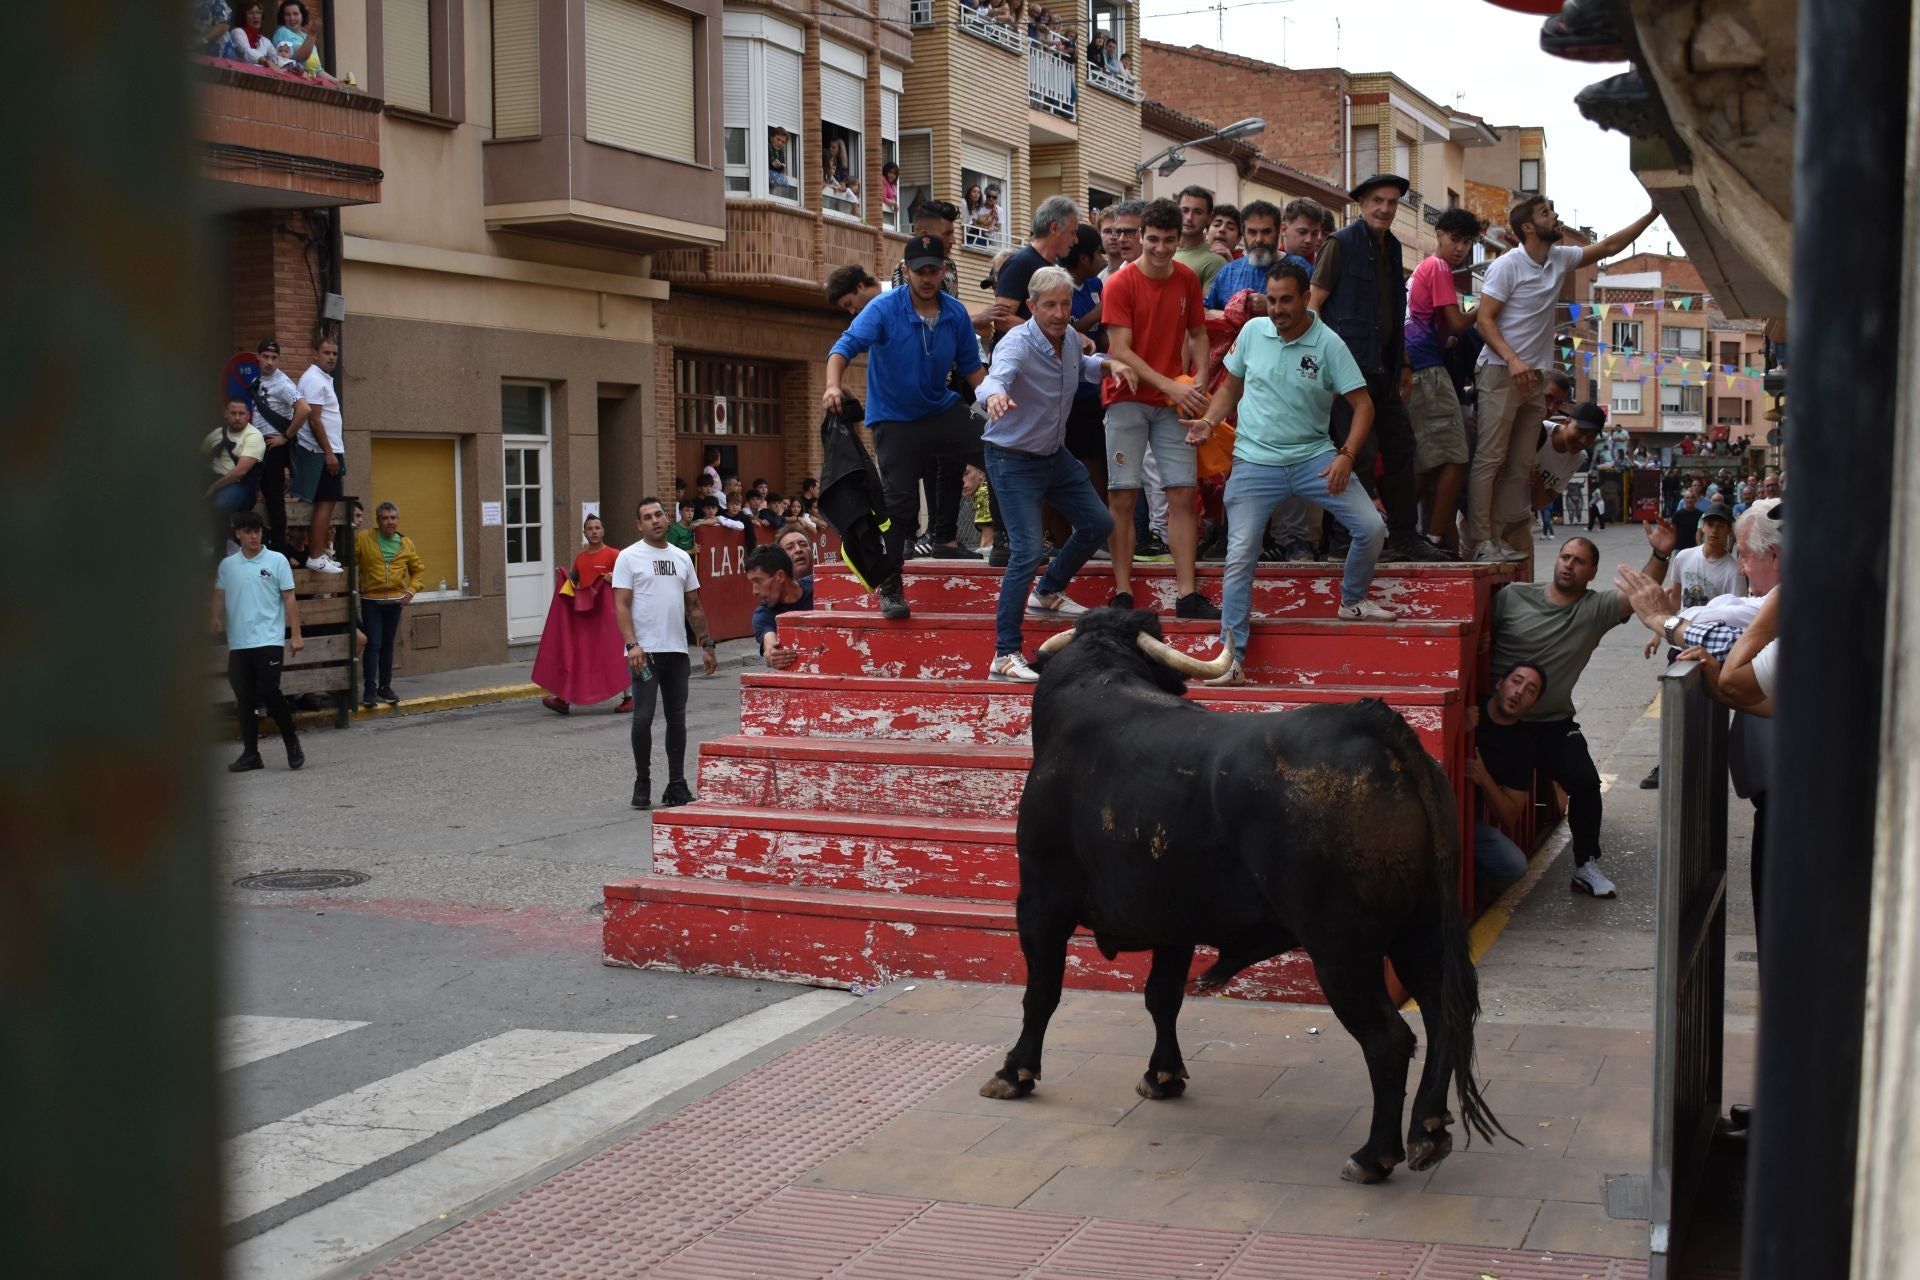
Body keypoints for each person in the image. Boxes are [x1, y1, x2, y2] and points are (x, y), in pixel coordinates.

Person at [1185, 262, 1394, 688]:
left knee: (1372, 528)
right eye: (1272, 299)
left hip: (1314, 458)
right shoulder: (1252, 332)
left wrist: (1346, 455)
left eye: (1286, 300)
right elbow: (1230, 388)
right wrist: (1209, 421)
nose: (1277, 309)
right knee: (1239, 556)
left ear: (1304, 299)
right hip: (1254, 461)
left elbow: (1364, 406)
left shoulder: (1329, 343)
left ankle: (1352, 600)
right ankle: (1232, 659)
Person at [1469, 196, 1658, 562]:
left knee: (1520, 463)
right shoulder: (1507, 266)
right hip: (1500, 371)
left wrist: (1652, 213)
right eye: (1546, 213)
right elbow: (1484, 320)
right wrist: (1513, 361)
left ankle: (1500, 538)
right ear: (1528, 227)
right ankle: (1481, 541)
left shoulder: (1559, 259)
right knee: (1490, 458)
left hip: (1536, 376)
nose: (1554, 216)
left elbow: (1609, 245)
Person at [1488, 527, 1675, 897]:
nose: (1569, 566)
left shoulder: (1594, 609)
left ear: (1592, 573)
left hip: (1553, 724)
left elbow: (1636, 596)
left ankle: (1585, 864)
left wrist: (1660, 556)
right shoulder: (1512, 597)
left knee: (1587, 784)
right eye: (1565, 557)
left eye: (1580, 562)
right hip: (1504, 723)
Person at [976, 266, 1130, 681]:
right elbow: (994, 379)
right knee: (1026, 551)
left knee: (1099, 522)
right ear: (1031, 307)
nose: (1060, 313)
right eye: (1050, 305)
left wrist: (1107, 366)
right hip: (1011, 460)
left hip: (1052, 455)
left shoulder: (1065, 343)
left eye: (1065, 304)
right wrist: (994, 397)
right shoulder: (1017, 342)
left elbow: (1080, 365)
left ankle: (1048, 592)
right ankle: (1004, 654)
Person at [825, 232, 986, 619]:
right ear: (906, 271)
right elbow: (842, 348)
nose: (927, 278)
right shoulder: (883, 309)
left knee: (1000, 447)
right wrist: (832, 384)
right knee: (900, 506)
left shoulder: (955, 313)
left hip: (939, 409)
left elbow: (973, 370)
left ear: (944, 271)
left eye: (934, 270)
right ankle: (891, 587)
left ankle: (1007, 543)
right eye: (919, 271)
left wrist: (997, 401)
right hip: (895, 421)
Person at [1308, 173, 1452, 564]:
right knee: (1356, 453)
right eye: (1377, 201)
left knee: (1402, 446)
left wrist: (1403, 361)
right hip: (1345, 370)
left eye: (1391, 202)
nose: (1385, 209)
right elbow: (1313, 306)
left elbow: (1395, 311)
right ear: (1361, 204)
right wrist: (1323, 367)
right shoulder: (1340, 244)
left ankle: (1405, 536)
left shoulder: (1391, 247)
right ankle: (1344, 542)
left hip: (1384, 369)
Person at [1100, 198, 1217, 619]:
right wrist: (1173, 383)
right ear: (1139, 237)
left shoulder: (1187, 278)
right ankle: (1123, 591)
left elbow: (1200, 334)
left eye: (1169, 240)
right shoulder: (1119, 283)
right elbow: (1121, 351)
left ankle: (1187, 593)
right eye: (1153, 239)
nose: (1162, 248)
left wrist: (1200, 376)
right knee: (1123, 496)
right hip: (1127, 399)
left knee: (1183, 493)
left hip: (1174, 403)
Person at [613, 498, 718, 810]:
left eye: (659, 514)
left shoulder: (681, 558)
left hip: (676, 650)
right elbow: (621, 604)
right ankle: (642, 781)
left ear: (666, 518)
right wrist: (632, 644)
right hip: (644, 653)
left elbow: (693, 605)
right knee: (642, 717)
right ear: (639, 524)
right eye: (647, 517)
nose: (655, 520)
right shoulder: (628, 557)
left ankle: (676, 784)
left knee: (677, 719)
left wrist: (707, 643)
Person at [1404, 208, 1483, 554]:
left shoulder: (1421, 271)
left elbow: (1435, 325)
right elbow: (1458, 321)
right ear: (1439, 234)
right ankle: (1431, 537)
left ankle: (1403, 528)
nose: (1460, 248)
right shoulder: (1437, 267)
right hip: (1428, 371)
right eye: (1455, 239)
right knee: (1455, 456)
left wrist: (1444, 338)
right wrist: (1490, 302)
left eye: (1467, 242)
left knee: (1430, 460)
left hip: (1416, 366)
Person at [213, 510, 304, 773]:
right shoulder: (228, 565)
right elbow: (219, 594)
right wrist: (214, 617)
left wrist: (296, 634)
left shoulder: (277, 561)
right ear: (238, 534)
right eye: (248, 531)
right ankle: (251, 753)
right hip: (239, 642)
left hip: (268, 638)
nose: (254, 536)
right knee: (244, 698)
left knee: (268, 690)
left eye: (258, 531)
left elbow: (289, 599)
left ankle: (292, 742)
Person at [1467, 663, 1551, 904]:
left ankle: (1465, 895)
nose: (1519, 692)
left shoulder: (1522, 745)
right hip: (1427, 812)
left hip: (1467, 823)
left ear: (1533, 705)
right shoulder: (1469, 706)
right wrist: (1457, 726)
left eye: (1530, 690)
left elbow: (1511, 814)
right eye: (1516, 681)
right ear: (1499, 683)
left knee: (1513, 865)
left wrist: (1484, 778)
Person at [351, 501, 425, 708]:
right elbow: (349, 561)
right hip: (371, 601)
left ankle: (385, 686)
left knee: (388, 646)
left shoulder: (406, 543)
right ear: (378, 521)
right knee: (374, 644)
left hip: (394, 602)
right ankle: (370, 690)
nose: (389, 522)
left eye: (393, 518)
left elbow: (418, 571)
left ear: (397, 520)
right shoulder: (364, 538)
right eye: (385, 518)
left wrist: (410, 591)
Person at [293, 337, 346, 572]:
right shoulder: (314, 379)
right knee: (326, 502)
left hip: (329, 449)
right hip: (322, 452)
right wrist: (329, 453)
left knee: (329, 502)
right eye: (326, 352)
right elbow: (314, 419)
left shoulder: (322, 379)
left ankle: (321, 553)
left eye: (334, 353)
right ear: (316, 354)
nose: (332, 357)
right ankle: (315, 555)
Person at [994, 196, 1081, 324]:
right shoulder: (1019, 264)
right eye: (1072, 233)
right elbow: (1001, 319)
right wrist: (1048, 334)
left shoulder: (1057, 266)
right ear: (1054, 228)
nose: (1076, 240)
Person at [206, 397, 267, 557]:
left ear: (248, 415)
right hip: (215, 479)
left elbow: (240, 472)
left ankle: (222, 550)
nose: (237, 417)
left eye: (241, 413)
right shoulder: (216, 435)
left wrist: (212, 488)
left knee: (221, 505)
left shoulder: (254, 436)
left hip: (241, 486)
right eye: (233, 413)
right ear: (226, 414)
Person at [1531, 401, 1605, 529]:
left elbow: (1541, 502)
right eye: (1581, 431)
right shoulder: (1538, 430)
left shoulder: (1578, 459)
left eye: (1591, 436)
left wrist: (1538, 486)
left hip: (1519, 518)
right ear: (1567, 422)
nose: (1583, 441)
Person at [1203, 200, 1283, 313]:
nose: (1259, 239)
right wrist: (1231, 313)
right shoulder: (1228, 271)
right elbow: (1205, 310)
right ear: (1244, 235)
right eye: (1252, 232)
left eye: (1266, 232)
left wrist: (1272, 306)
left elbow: (1312, 316)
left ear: (1278, 232)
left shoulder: (1299, 267)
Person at [746, 545, 813, 670]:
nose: (754, 591)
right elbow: (769, 642)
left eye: (758, 581)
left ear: (780, 576)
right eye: (752, 582)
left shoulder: (819, 586)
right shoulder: (763, 615)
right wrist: (771, 654)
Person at [1173, 186, 1227, 292]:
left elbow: (1205, 307)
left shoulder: (1215, 261)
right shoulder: (1162, 251)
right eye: (1185, 210)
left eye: (1198, 212)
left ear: (1209, 218)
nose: (1189, 218)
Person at [1671, 479, 1704, 550]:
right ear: (1684, 500)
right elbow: (1673, 531)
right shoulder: (1677, 514)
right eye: (1687, 498)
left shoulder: (1701, 514)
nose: (1690, 500)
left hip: (1695, 547)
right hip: (1680, 548)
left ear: (1695, 500)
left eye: (1692, 498)